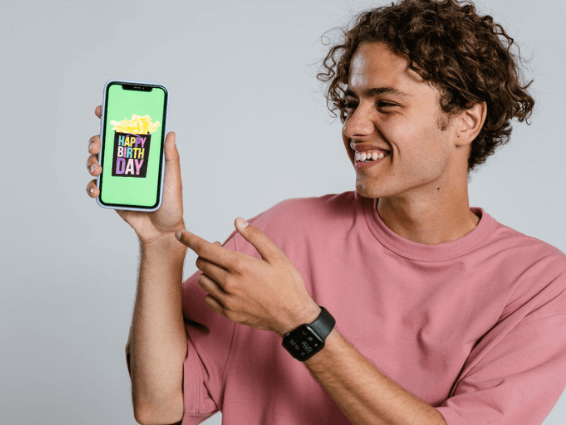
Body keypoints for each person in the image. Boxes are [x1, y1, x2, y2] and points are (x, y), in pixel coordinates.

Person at [85, 0, 566, 424]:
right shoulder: (282, 234)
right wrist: (160, 243)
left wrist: (300, 323)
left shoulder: (539, 284)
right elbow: (159, 405)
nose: (355, 125)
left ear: (466, 121)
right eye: (353, 101)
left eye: (387, 104)